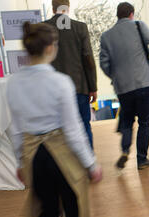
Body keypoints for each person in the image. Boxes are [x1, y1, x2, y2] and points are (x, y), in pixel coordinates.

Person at [8, 22, 103, 217]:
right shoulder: (60, 82)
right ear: (50, 48)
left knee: (47, 213)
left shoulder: (14, 82)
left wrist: (20, 162)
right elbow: (73, 131)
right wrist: (91, 164)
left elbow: (16, 129)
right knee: (74, 206)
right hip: (61, 154)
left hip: (34, 155)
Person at [100, 2, 149, 170]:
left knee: (127, 120)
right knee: (144, 122)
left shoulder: (106, 36)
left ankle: (125, 150)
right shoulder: (139, 26)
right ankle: (141, 159)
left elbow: (104, 63)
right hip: (143, 83)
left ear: (117, 16)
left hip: (123, 87)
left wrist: (114, 75)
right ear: (131, 14)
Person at [45, 0, 98, 149]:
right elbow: (88, 58)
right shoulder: (80, 27)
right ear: (68, 7)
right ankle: (88, 165)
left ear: (53, 7)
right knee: (84, 127)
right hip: (79, 87)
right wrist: (93, 86)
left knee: (58, 130)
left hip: (52, 91)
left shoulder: (43, 28)